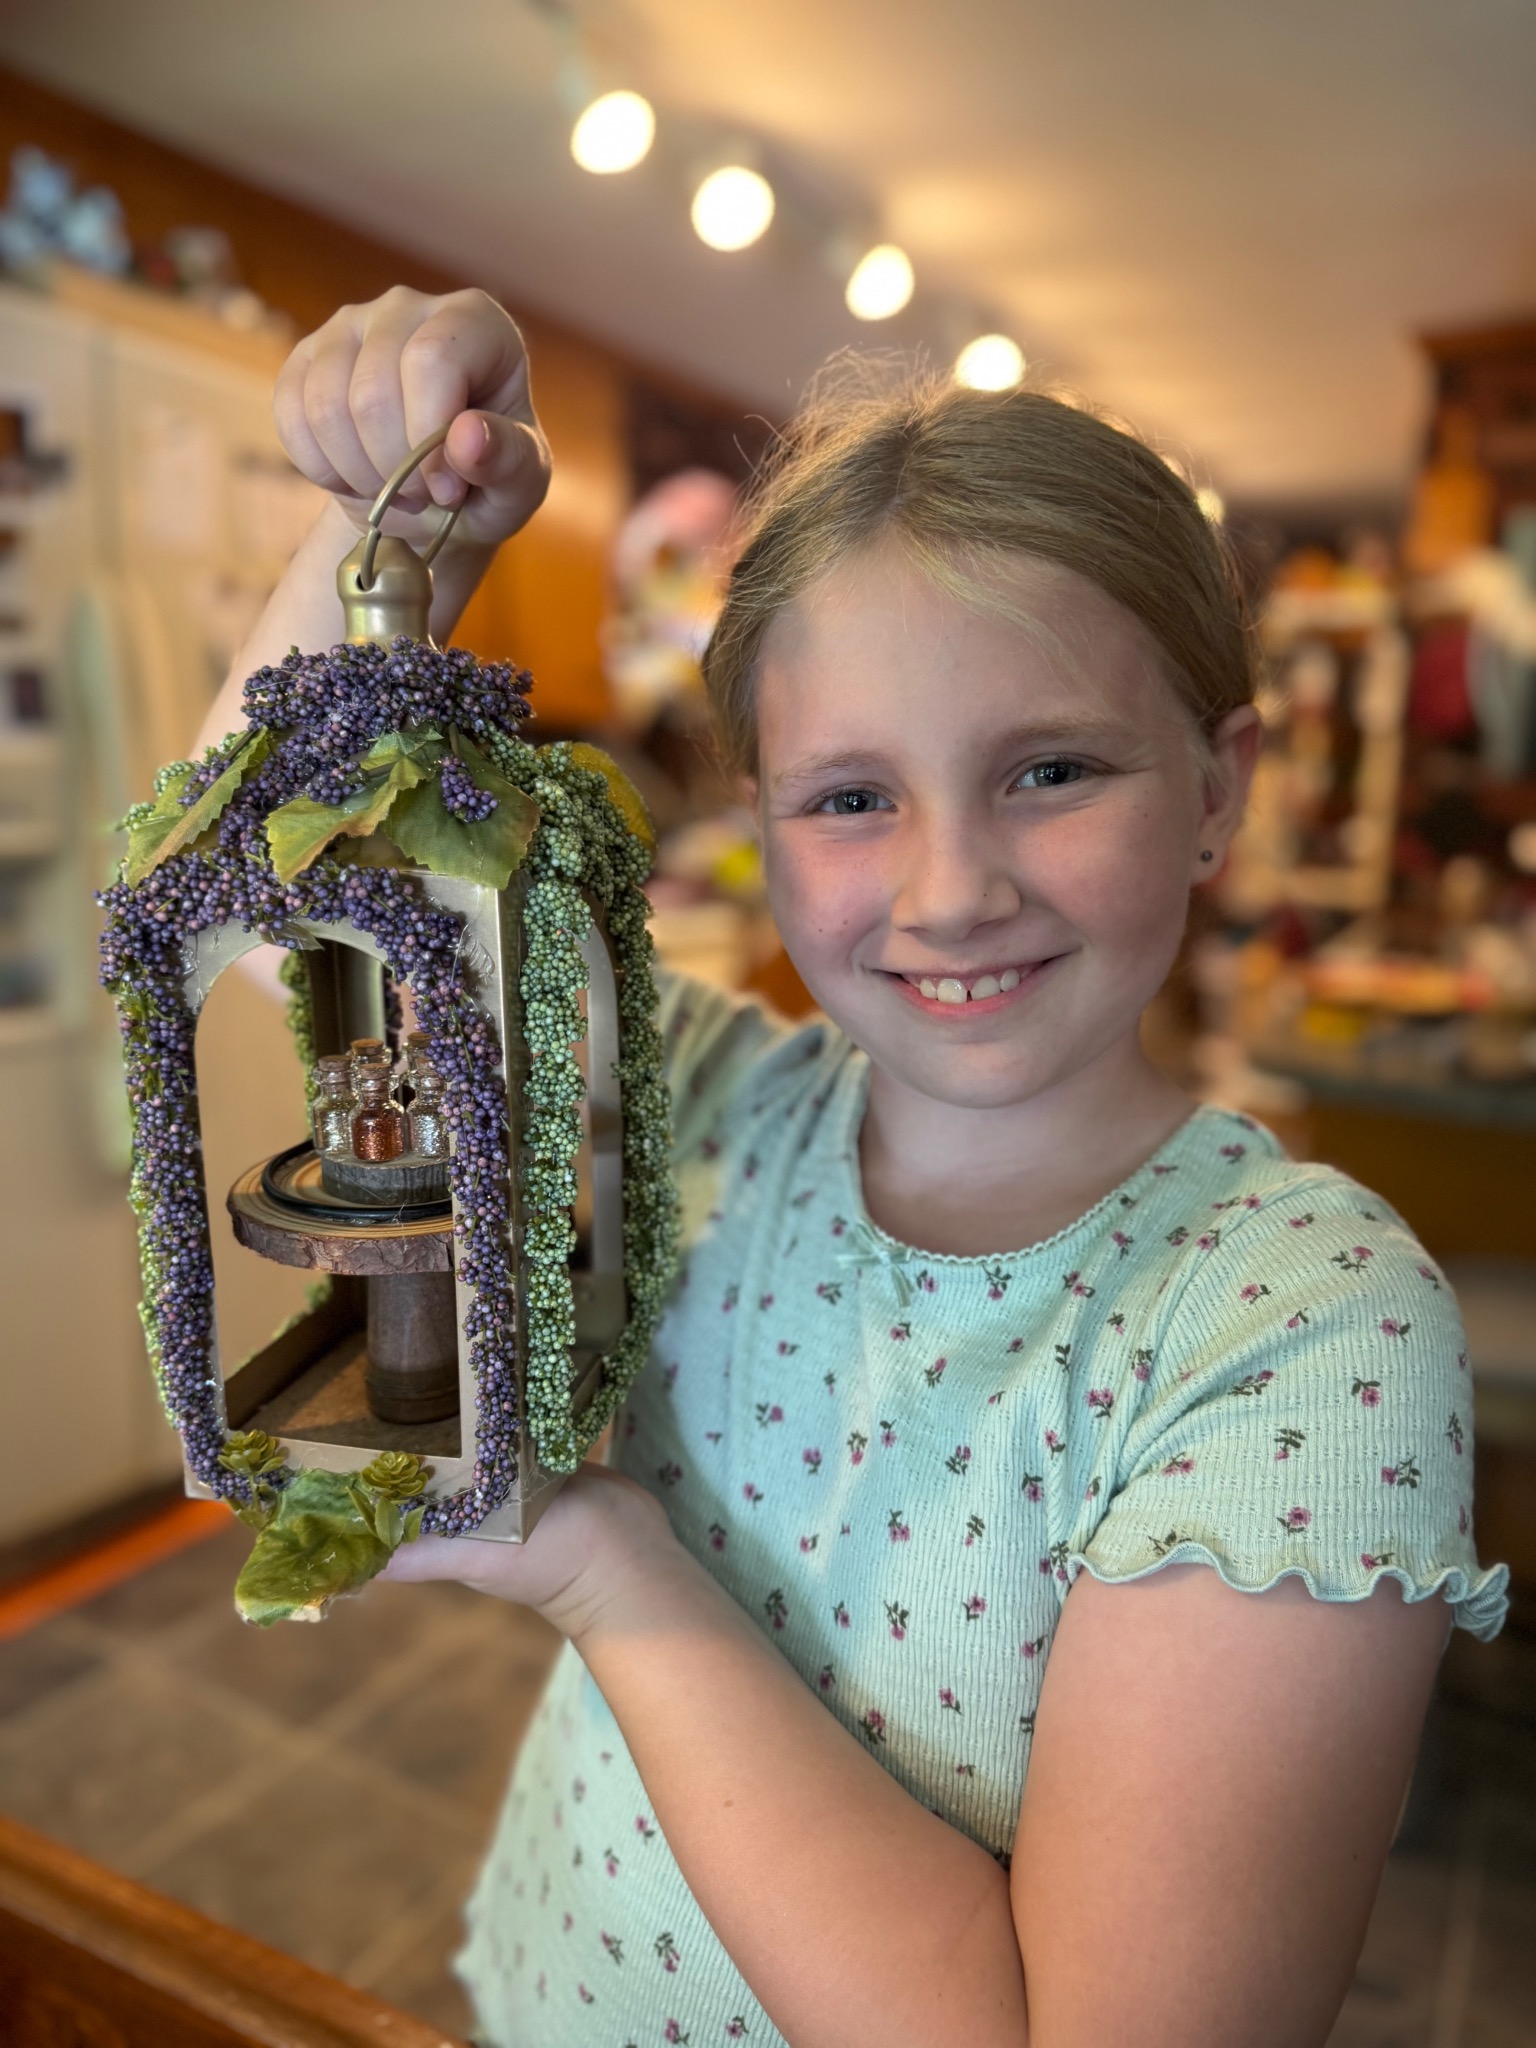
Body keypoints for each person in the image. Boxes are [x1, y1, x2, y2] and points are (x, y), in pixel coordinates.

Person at [201, 286, 1507, 2048]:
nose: (951, 891)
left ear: (1218, 790)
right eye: (850, 798)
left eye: (1052, 769)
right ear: (761, 820)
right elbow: (259, 894)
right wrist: (394, 541)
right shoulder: (703, 1093)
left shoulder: (1300, 1328)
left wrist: (606, 1569)